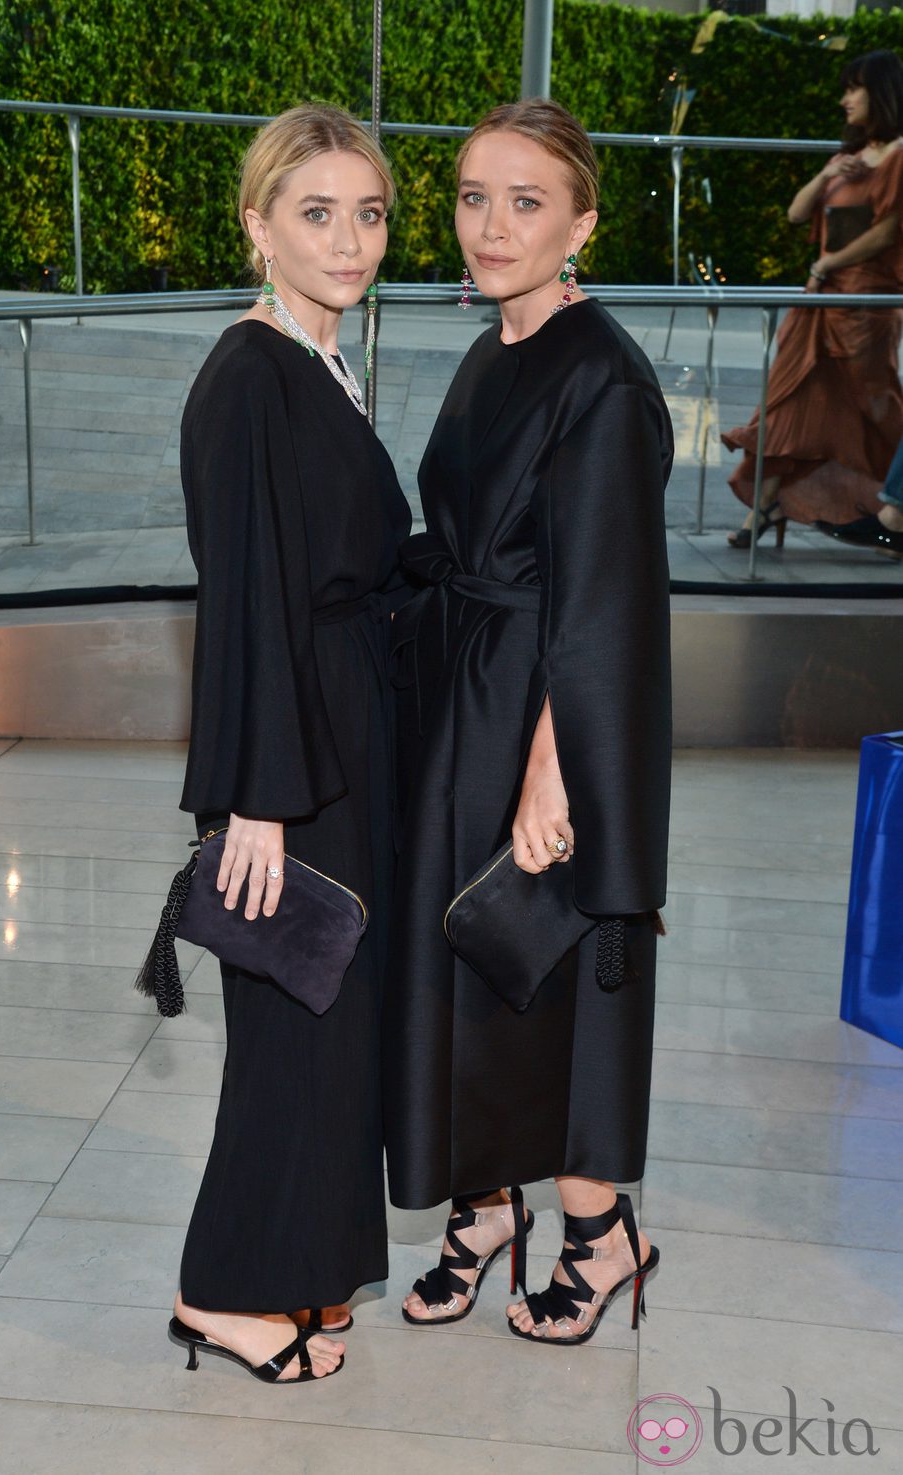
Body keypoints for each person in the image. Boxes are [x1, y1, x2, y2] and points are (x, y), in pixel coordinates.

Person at [383, 99, 672, 1346]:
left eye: (524, 201)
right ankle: (482, 1202)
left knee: (548, 970)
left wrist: (551, 767)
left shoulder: (600, 376)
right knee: (463, 960)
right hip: (462, 700)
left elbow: (601, 594)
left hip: (542, 716)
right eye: (469, 195)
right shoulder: (493, 346)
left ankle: (600, 1231)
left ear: (581, 224)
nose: (488, 225)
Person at [168, 105, 410, 1385]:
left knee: (331, 1022)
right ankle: (221, 1290)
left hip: (346, 731)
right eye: (315, 213)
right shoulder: (247, 374)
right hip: (293, 758)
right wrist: (253, 800)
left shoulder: (320, 363)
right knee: (283, 1027)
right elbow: (243, 598)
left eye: (367, 212)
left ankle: (307, 1270)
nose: (349, 239)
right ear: (257, 224)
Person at [723, 50, 903, 549]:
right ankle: (764, 508)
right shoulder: (851, 155)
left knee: (875, 409)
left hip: (866, 305)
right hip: (821, 301)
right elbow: (796, 214)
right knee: (789, 404)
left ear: (881, 93)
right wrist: (827, 175)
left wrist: (828, 263)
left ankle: (893, 507)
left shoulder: (899, 156)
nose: (844, 99)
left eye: (854, 89)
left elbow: (888, 232)